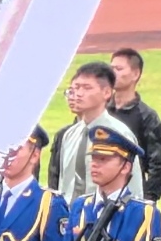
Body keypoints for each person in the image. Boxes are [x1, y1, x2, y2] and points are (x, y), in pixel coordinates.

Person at [50, 62, 125, 203]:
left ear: (107, 92)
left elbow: (133, 188)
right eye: (76, 88)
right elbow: (64, 183)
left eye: (87, 88)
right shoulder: (69, 135)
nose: (78, 94)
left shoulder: (119, 135)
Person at [109, 47, 161, 202]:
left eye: (119, 68)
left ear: (135, 74)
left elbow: (157, 166)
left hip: (131, 198)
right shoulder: (100, 110)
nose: (112, 73)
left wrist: (146, 200)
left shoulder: (146, 116)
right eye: (110, 68)